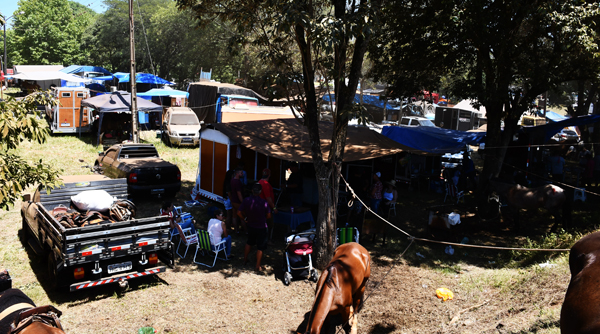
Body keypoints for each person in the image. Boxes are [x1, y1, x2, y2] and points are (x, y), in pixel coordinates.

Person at [238, 183, 272, 272]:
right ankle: (257, 265)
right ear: (260, 192)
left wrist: (245, 218)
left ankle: (245, 259)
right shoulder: (264, 202)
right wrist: (264, 218)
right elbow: (269, 215)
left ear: (252, 191)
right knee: (260, 247)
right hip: (261, 226)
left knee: (249, 242)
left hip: (250, 225)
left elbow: (238, 212)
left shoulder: (246, 200)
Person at [258, 168, 277, 238]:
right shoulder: (266, 184)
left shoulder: (259, 182)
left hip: (259, 206)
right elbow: (268, 198)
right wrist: (274, 207)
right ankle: (267, 239)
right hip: (266, 208)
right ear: (269, 175)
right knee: (269, 224)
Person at [229, 168, 246, 234]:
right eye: (241, 173)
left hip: (233, 200)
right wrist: (243, 202)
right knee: (242, 217)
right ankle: (246, 231)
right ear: (237, 174)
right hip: (238, 202)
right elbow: (239, 193)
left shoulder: (232, 180)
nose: (243, 174)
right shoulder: (238, 182)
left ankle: (236, 230)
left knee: (234, 216)